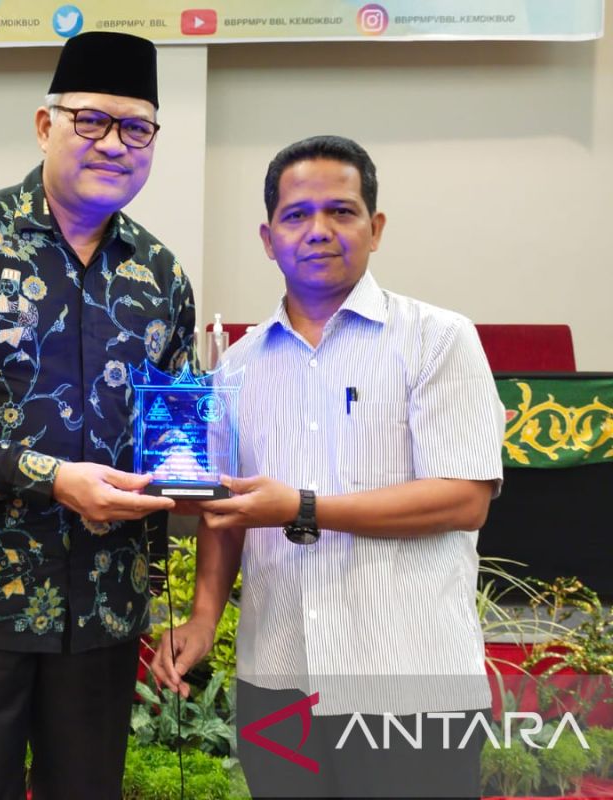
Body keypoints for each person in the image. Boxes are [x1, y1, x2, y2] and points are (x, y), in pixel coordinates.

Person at [0, 31, 197, 800]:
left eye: (137, 128)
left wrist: (190, 480)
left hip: (106, 608)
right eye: (91, 121)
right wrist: (52, 478)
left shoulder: (161, 272)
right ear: (45, 124)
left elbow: (174, 425)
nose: (114, 143)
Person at [151, 135, 505, 798]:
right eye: (296, 215)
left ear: (376, 228)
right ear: (268, 237)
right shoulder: (236, 368)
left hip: (410, 677)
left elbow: (463, 500)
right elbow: (227, 511)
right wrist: (202, 617)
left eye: (341, 212)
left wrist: (301, 508)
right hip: (278, 681)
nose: (318, 230)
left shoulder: (437, 339)